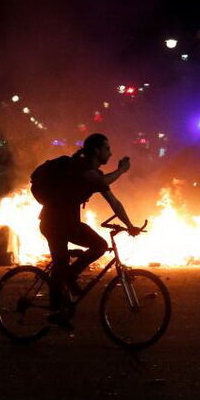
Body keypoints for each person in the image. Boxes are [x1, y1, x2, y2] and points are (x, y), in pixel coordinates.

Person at [38, 133, 141, 330]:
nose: (110, 153)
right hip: (53, 223)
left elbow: (114, 203)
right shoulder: (82, 168)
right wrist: (121, 170)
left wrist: (129, 225)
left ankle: (68, 278)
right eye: (107, 149)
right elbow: (103, 182)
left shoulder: (94, 174)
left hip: (68, 223)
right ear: (96, 150)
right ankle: (55, 311)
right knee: (62, 264)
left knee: (95, 248)